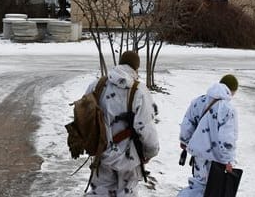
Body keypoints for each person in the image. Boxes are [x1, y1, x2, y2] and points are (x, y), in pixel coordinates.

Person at [85, 51, 160, 196]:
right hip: (128, 158)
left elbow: (86, 115)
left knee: (100, 192)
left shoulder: (98, 85)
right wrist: (150, 152)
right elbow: (145, 127)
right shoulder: (139, 91)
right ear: (136, 68)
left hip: (102, 153)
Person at [177, 74, 239, 197]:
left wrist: (184, 141)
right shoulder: (227, 109)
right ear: (232, 91)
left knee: (198, 185)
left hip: (198, 156)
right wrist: (228, 160)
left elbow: (187, 123)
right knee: (210, 190)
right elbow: (227, 138)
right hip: (217, 159)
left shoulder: (199, 101)